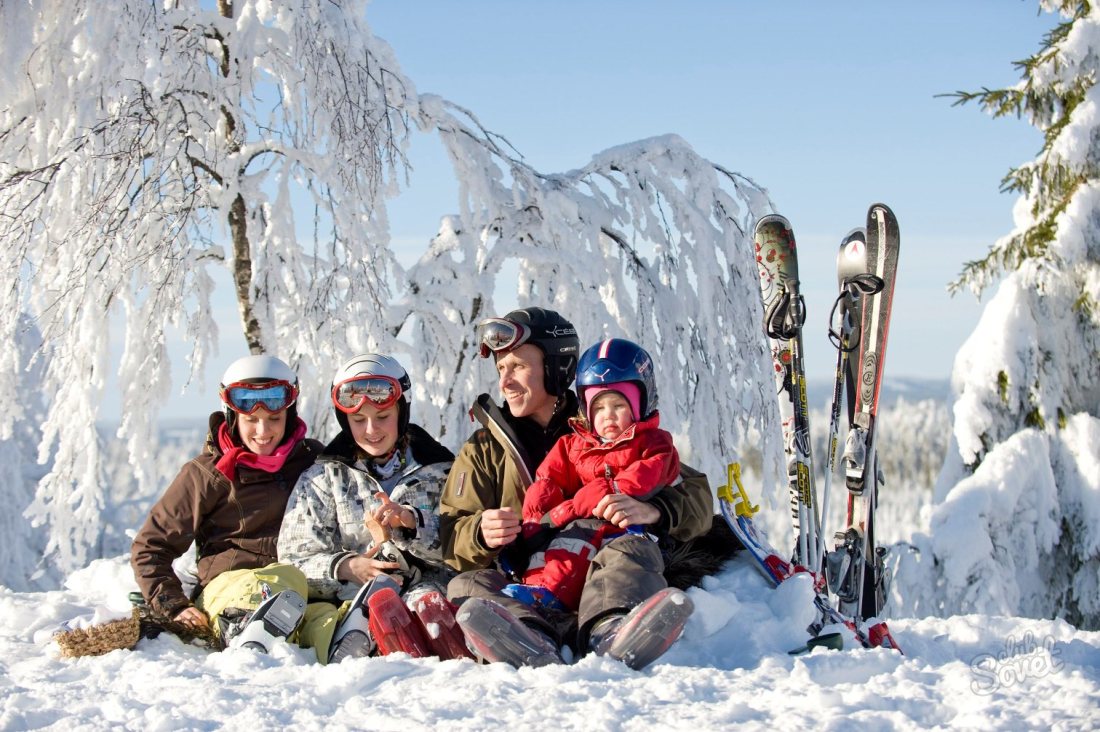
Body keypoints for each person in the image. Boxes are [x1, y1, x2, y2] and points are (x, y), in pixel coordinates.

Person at [439, 308, 714, 670]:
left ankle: (611, 630)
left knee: (631, 554)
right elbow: (451, 538)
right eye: (501, 368)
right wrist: (479, 533)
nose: (505, 381)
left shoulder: (605, 424)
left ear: (557, 367)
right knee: (466, 584)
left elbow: (695, 497)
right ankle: (529, 638)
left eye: (518, 366)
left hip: (601, 575)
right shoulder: (485, 450)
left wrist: (657, 510)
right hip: (533, 584)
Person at [277, 354, 465, 663]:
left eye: (382, 416)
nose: (371, 429)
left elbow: (467, 547)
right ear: (344, 421)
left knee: (427, 602)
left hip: (430, 590)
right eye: (358, 420)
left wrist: (414, 526)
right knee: (376, 604)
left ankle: (443, 647)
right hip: (353, 602)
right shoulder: (324, 479)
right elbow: (293, 560)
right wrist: (345, 567)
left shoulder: (442, 472)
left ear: (401, 412)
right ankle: (378, 638)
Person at [131, 355, 322, 651]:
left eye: (274, 419)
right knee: (273, 585)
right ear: (233, 417)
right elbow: (151, 547)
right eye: (251, 420)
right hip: (230, 589)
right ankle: (246, 634)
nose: (263, 431)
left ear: (289, 416)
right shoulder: (207, 474)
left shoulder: (311, 461)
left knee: (322, 617)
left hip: (302, 587)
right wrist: (174, 606)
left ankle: (344, 641)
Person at [518, 338, 682, 612]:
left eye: (618, 405)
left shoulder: (653, 442)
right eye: (598, 407)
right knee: (555, 548)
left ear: (640, 404)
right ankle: (535, 597)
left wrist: (607, 491)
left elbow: (649, 472)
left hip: (626, 524)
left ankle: (598, 611)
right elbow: (548, 479)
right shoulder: (573, 445)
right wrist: (538, 518)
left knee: (602, 554)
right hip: (584, 522)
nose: (608, 416)